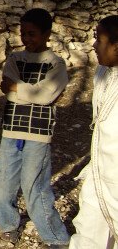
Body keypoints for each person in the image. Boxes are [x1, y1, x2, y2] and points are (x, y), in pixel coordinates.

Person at [0, 8, 70, 247]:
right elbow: (10, 89)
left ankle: (55, 236)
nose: (26, 39)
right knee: (3, 183)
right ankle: (7, 225)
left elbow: (46, 96)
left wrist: (19, 89)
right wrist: (29, 92)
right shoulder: (15, 59)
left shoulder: (56, 64)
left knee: (35, 186)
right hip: (12, 130)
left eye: (32, 34)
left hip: (38, 133)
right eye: (23, 33)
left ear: (47, 34)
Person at [70, 15, 118, 249]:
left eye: (99, 40)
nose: (94, 45)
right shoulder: (103, 73)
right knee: (88, 229)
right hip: (100, 170)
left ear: (116, 47)